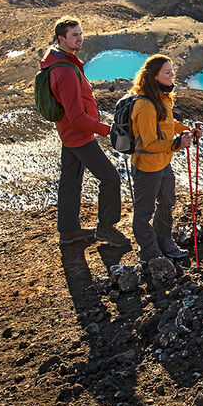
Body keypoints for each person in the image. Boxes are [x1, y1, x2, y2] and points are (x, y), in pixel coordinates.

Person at [40, 17, 129, 247]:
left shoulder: (60, 61)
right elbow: (77, 117)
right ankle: (106, 228)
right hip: (79, 136)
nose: (80, 38)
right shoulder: (66, 72)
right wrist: (107, 130)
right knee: (110, 179)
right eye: (74, 35)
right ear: (62, 39)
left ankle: (68, 232)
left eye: (80, 33)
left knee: (70, 181)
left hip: (69, 134)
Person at [129, 54, 202, 263]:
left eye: (172, 71)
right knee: (144, 211)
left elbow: (169, 124)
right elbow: (149, 143)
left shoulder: (162, 98)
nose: (173, 76)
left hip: (163, 163)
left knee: (167, 203)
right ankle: (150, 252)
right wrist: (177, 144)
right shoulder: (144, 105)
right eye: (168, 72)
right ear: (154, 76)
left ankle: (165, 242)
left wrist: (187, 129)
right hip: (147, 167)